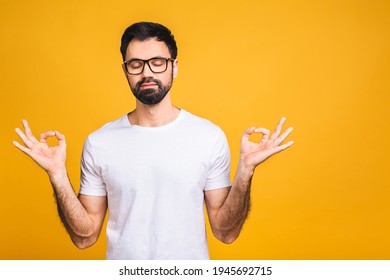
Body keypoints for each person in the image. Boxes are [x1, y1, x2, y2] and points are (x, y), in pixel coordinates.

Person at [13, 22, 294, 259]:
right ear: (126, 71)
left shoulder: (208, 136)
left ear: (174, 67)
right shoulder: (100, 142)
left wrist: (245, 171)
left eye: (157, 62)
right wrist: (57, 174)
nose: (147, 72)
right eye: (136, 64)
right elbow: (85, 237)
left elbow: (225, 232)